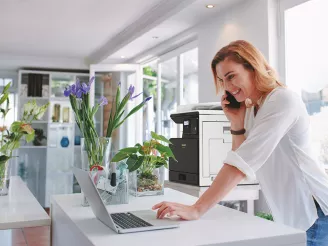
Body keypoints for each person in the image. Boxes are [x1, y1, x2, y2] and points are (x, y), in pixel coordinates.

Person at [152, 40, 328, 246]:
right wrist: (237, 122)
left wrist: (197, 209)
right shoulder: (254, 108)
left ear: (253, 67)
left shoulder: (282, 100)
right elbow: (241, 152)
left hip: (313, 210)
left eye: (231, 76)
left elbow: (242, 162)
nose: (227, 87)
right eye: (222, 80)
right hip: (292, 212)